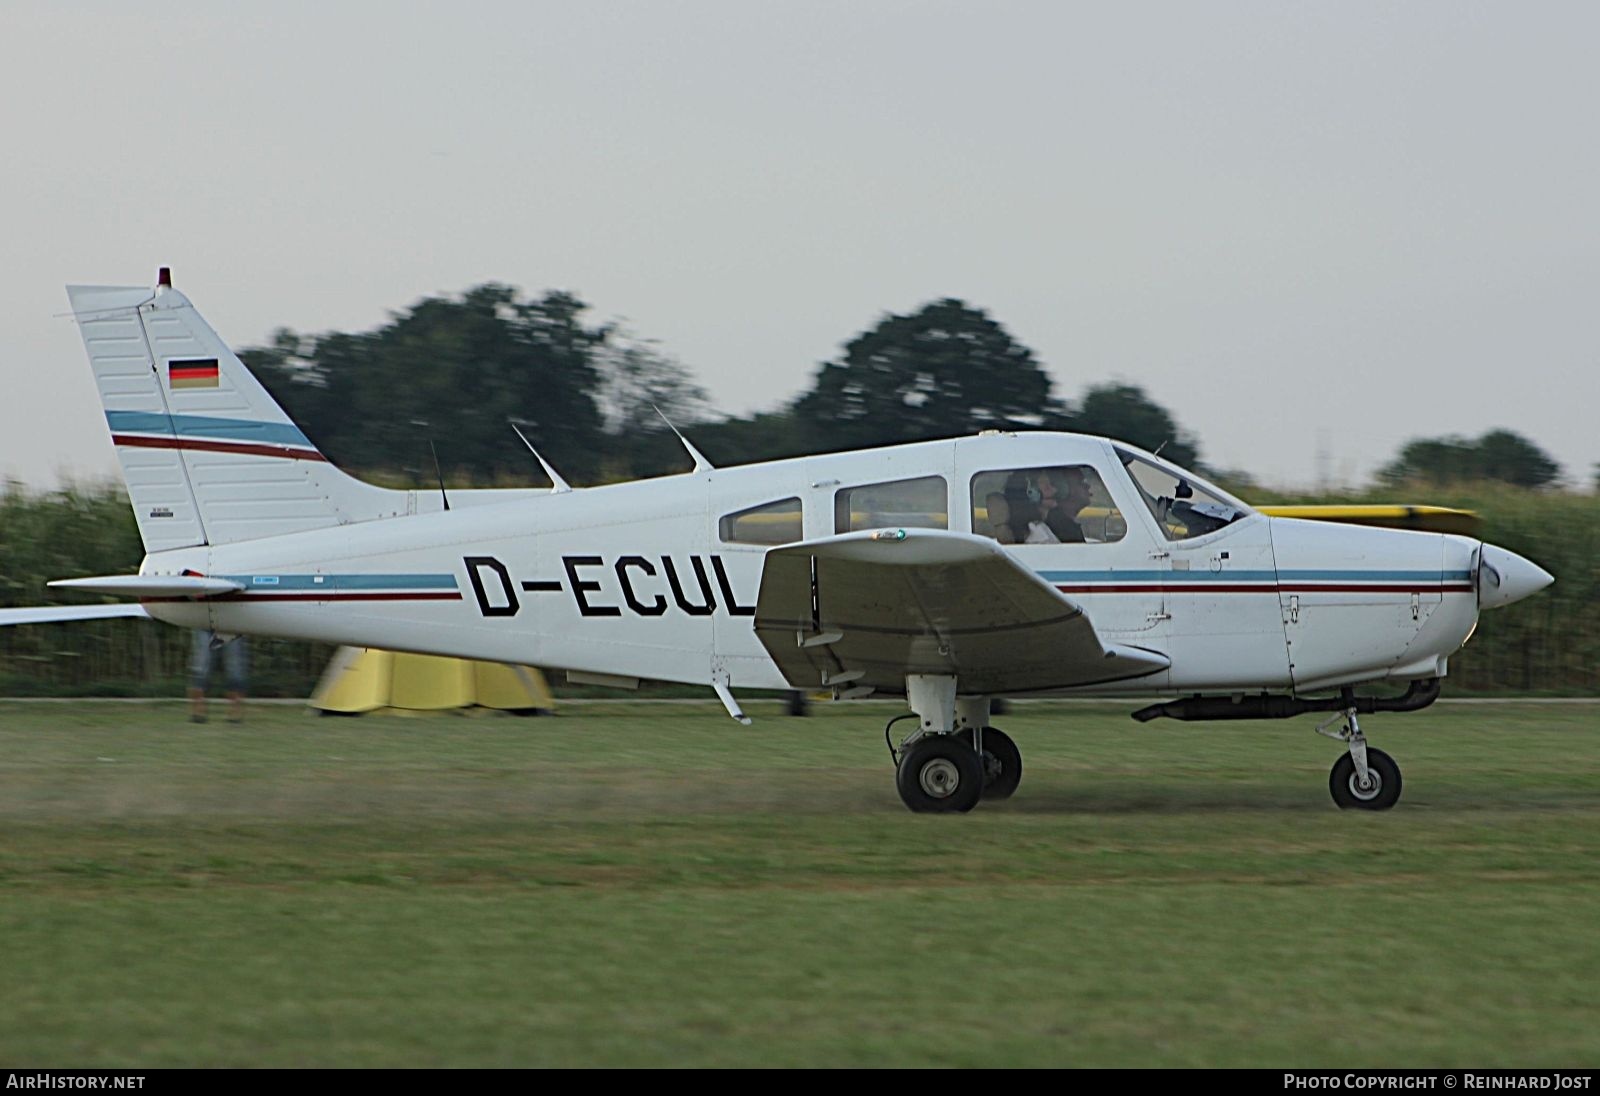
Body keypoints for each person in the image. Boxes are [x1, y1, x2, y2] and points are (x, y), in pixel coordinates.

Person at [189, 629, 248, 723]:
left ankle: (235, 710)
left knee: (234, 663)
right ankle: (198, 709)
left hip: (233, 624)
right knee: (202, 662)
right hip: (204, 623)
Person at [1037, 467, 1091, 543]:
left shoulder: (1065, 525)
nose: (1088, 486)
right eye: (1081, 482)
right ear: (1063, 490)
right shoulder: (1063, 529)